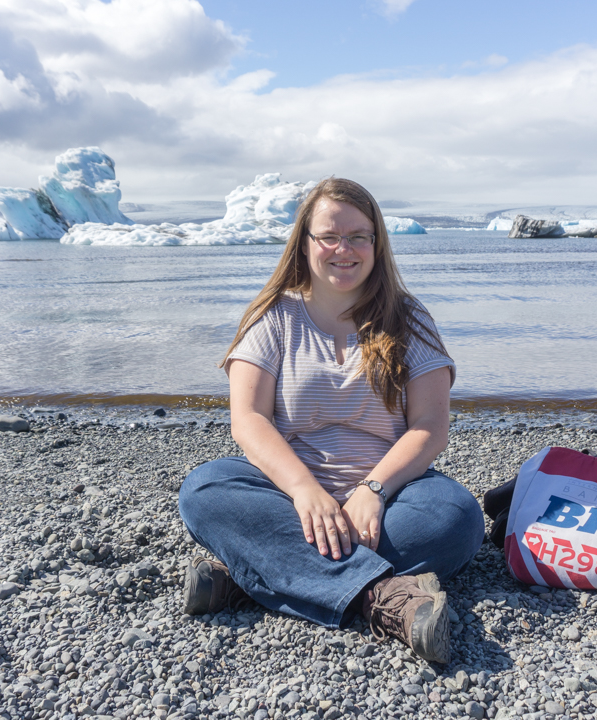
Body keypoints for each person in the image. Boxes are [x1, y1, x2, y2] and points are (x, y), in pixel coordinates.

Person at [177, 177, 484, 663]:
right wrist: (304, 491)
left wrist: (373, 490)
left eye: (359, 236)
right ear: (305, 243)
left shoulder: (409, 318)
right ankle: (381, 599)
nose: (345, 249)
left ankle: (250, 577)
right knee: (204, 489)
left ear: (377, 244)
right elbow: (249, 419)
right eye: (330, 236)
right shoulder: (273, 317)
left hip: (390, 500)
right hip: (287, 497)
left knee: (456, 517)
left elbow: (430, 426)